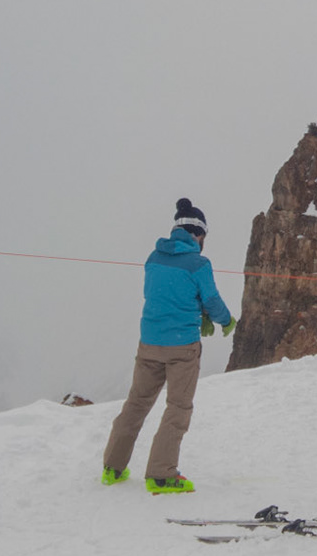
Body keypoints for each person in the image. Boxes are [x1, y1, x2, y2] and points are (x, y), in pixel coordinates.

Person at [101, 198, 235, 494]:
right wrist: (224, 320)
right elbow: (210, 299)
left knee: (136, 404)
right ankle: (161, 474)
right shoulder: (199, 264)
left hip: (149, 342)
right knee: (178, 408)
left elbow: (165, 294)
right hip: (182, 348)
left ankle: (112, 467)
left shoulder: (154, 257)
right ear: (198, 235)